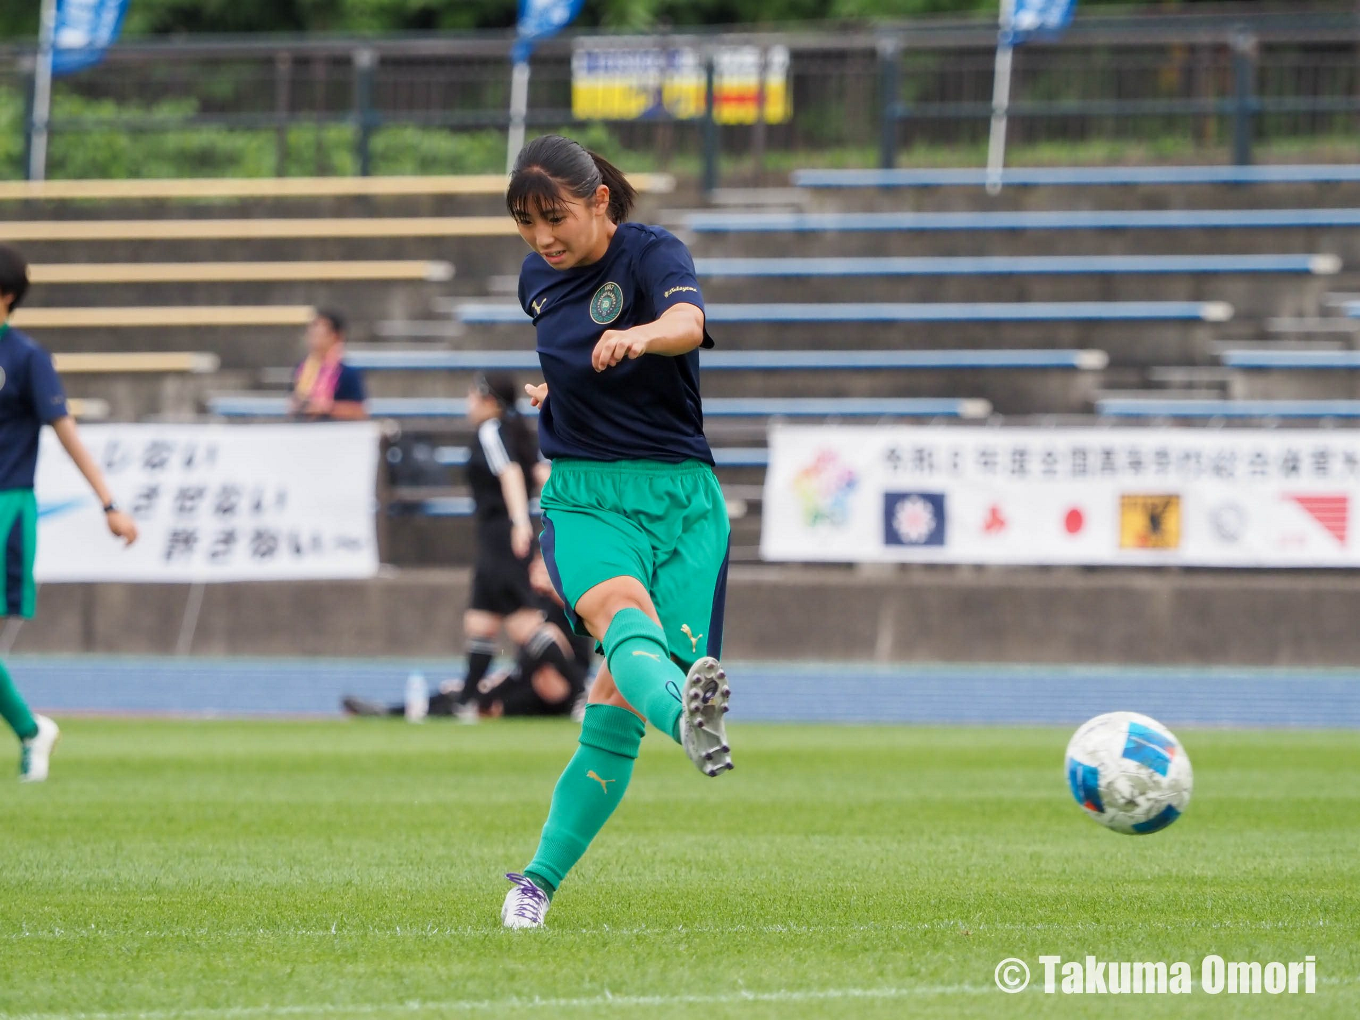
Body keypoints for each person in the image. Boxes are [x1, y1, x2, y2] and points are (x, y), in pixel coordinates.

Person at [498, 135, 733, 930]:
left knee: (613, 698)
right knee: (620, 616)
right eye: (526, 224)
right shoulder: (536, 280)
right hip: (588, 494)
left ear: (598, 199)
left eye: (554, 218)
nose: (542, 240)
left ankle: (536, 882)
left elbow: (690, 322)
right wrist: (552, 389)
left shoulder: (651, 252)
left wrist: (641, 335)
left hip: (683, 501)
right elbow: (571, 357)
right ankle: (687, 719)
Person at [0, 244, 139, 781]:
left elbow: (67, 434)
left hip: (7, 507)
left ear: (6, 296)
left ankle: (33, 731)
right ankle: (33, 731)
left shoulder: (26, 359)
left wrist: (109, 504)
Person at [289, 308, 368, 421]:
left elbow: (359, 411)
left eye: (321, 333)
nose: (315, 338)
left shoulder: (347, 373)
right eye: (312, 333)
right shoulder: (301, 370)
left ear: (335, 336)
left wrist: (326, 408)